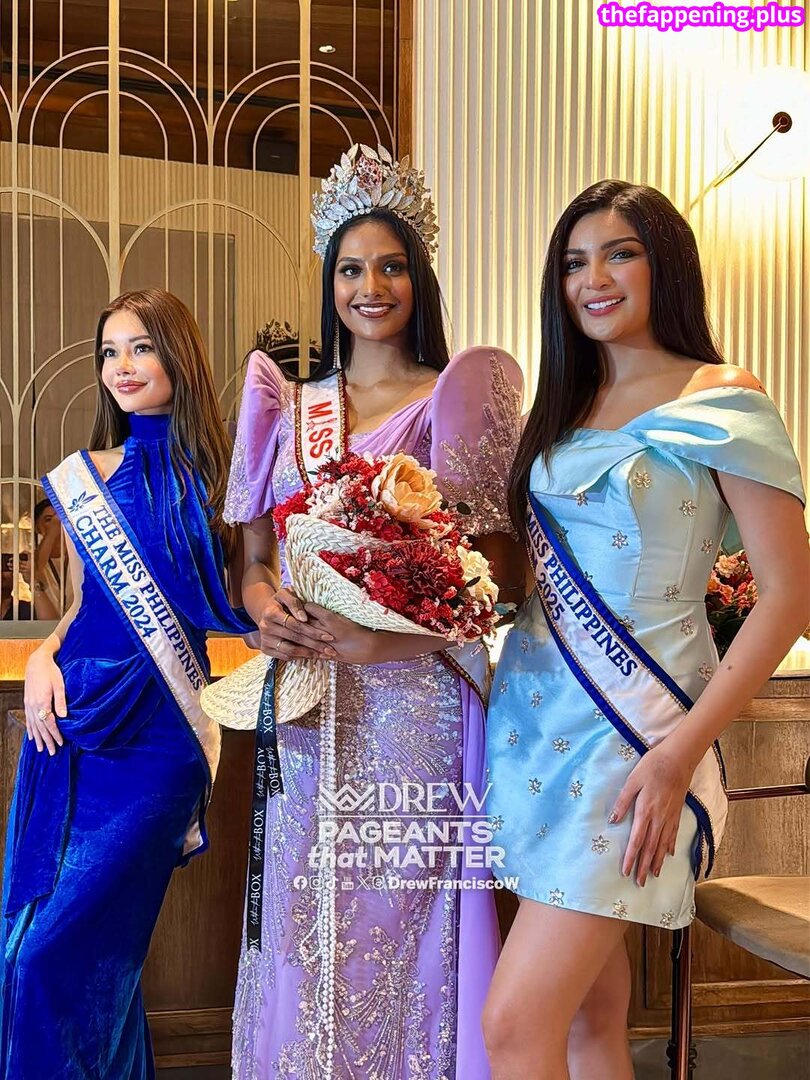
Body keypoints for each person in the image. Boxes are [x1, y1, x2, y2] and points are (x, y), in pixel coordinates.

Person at [483, 180, 809, 1080]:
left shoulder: (724, 400)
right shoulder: (566, 406)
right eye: (574, 262)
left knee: (513, 1027)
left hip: (638, 742)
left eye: (619, 254)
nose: (593, 279)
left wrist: (679, 755)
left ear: (665, 263)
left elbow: (788, 595)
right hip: (531, 729)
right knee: (589, 1023)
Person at [225, 145, 524, 1079]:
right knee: (302, 913)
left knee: (406, 916)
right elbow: (255, 562)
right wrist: (266, 610)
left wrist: (380, 636)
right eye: (351, 269)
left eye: (391, 266)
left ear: (418, 278)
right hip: (307, 701)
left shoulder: (455, 400)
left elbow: (496, 575)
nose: (370, 287)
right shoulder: (290, 405)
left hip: (415, 706)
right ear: (330, 283)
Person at [0, 289, 252, 1078]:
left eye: (141, 347)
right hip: (68, 727)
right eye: (109, 352)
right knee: (41, 949)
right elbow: (81, 606)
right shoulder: (84, 479)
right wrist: (42, 657)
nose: (123, 366)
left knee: (58, 953)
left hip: (159, 745)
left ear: (179, 355)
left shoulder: (224, 483)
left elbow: (252, 599)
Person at [32, 497, 73, 616]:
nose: (58, 523)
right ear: (37, 527)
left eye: (62, 519)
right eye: (48, 519)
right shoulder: (34, 558)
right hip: (47, 623)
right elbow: (36, 568)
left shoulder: (78, 557)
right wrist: (53, 530)